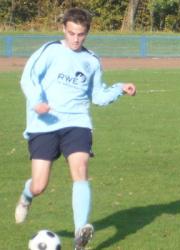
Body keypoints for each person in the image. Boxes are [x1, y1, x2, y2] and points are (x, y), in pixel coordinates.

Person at [14, 8, 137, 250]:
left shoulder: (91, 60)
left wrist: (120, 88)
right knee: (39, 185)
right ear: (64, 29)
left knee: (80, 168)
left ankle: (81, 230)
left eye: (80, 34)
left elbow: (98, 96)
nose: (75, 39)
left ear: (87, 33)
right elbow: (28, 78)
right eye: (71, 33)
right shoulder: (50, 51)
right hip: (44, 123)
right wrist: (38, 101)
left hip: (77, 122)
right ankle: (27, 196)